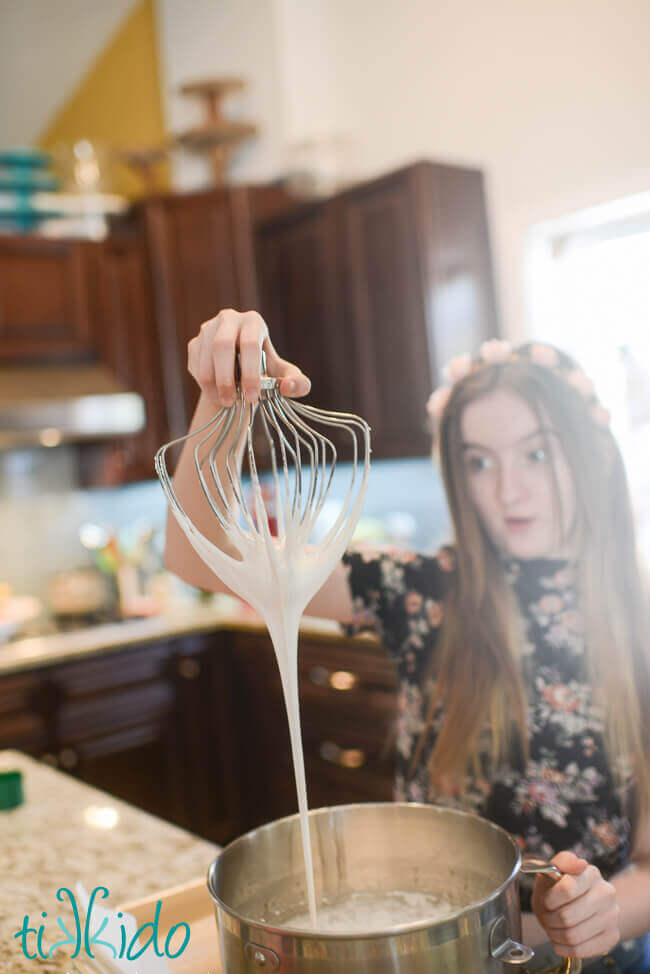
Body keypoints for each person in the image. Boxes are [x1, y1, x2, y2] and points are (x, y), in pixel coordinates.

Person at [164, 309, 650, 972]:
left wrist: (601, 914)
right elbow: (199, 557)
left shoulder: (640, 623)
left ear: (589, 454)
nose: (509, 490)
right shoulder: (424, 591)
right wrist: (223, 397)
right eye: (479, 463)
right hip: (425, 955)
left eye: (537, 453)